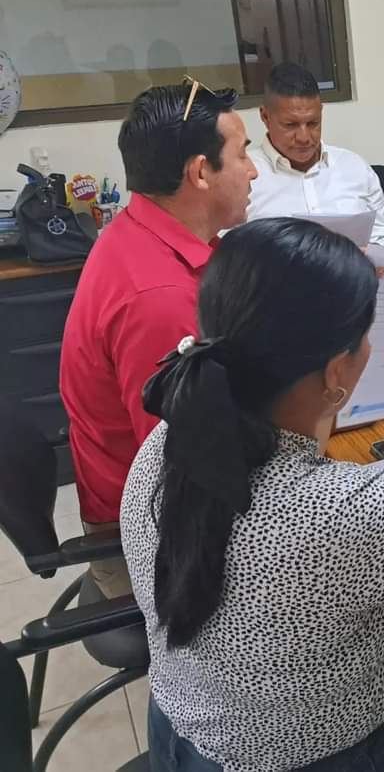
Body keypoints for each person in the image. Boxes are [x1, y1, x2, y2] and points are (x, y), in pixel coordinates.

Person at [120, 217, 384, 771]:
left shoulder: (173, 434)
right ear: (333, 372)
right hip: (326, 755)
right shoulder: (338, 512)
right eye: (367, 335)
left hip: (187, 732)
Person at [60, 81, 256, 598]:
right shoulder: (158, 297)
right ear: (200, 172)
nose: (253, 171)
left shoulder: (143, 233)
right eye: (243, 154)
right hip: (156, 538)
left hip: (155, 498)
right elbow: (188, 473)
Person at [247, 62, 384, 246]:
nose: (304, 137)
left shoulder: (354, 167)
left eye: (313, 123)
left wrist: (369, 254)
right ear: (265, 116)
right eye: (290, 125)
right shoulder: (243, 176)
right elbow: (227, 255)